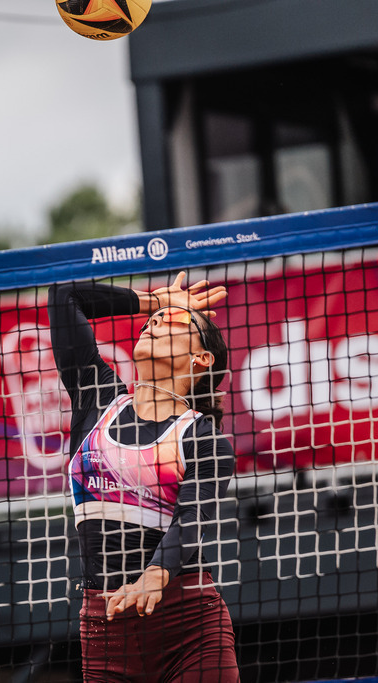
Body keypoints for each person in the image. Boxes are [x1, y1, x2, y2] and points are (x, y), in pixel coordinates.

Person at [47, 272, 239, 682]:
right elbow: (65, 294)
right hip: (106, 629)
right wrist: (154, 301)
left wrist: (154, 576)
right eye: (152, 322)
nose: (153, 325)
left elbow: (191, 521)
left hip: (187, 626)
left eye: (173, 321)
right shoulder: (97, 397)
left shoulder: (205, 438)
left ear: (201, 359)